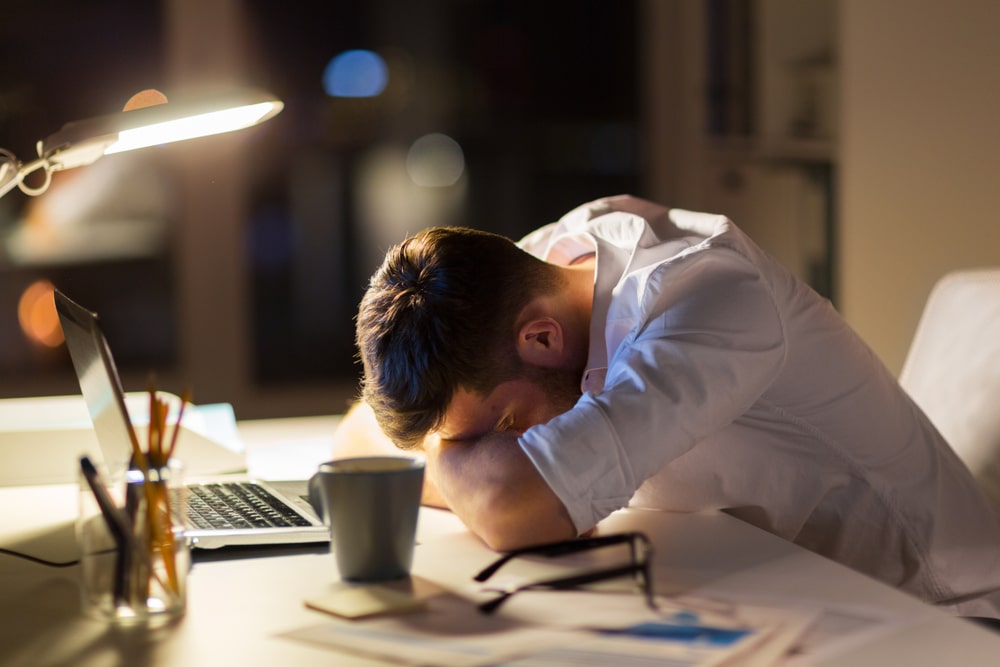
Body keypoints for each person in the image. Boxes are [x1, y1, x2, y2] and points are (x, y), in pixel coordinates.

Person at [332, 194, 1000, 619]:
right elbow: (355, 439)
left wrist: (451, 460)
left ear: (542, 338)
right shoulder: (547, 268)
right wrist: (457, 443)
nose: (504, 443)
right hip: (782, 594)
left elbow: (519, 508)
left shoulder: (707, 303)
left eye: (504, 424)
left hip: (932, 616)